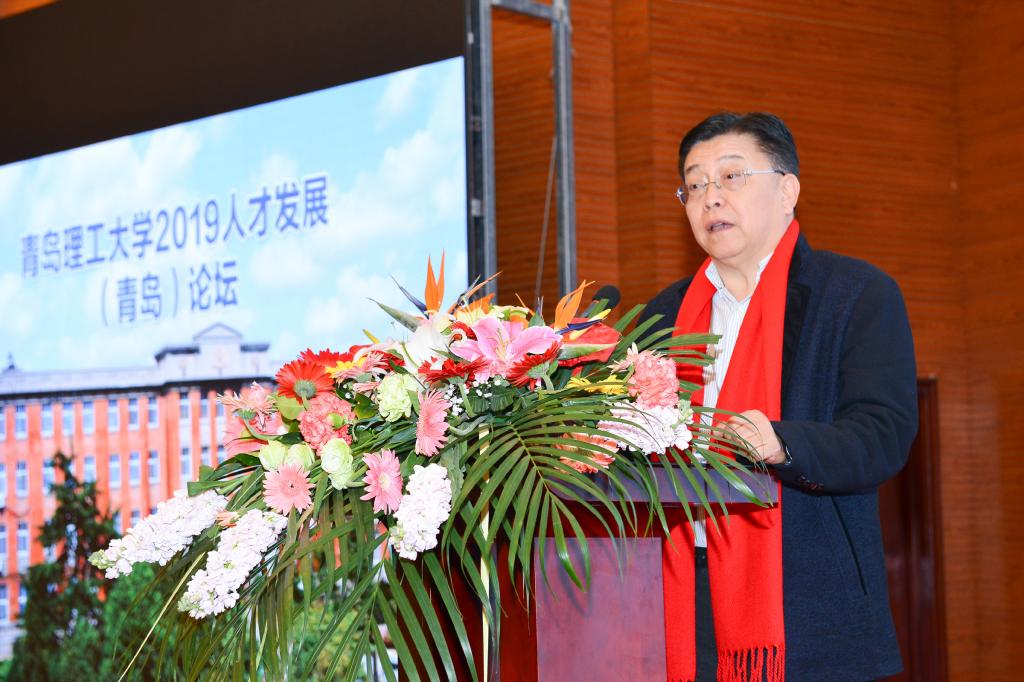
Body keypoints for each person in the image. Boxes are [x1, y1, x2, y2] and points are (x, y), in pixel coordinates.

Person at [639, 112, 917, 681]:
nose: (711, 197)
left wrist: (782, 444)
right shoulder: (663, 316)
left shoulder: (854, 295)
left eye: (731, 176)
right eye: (694, 185)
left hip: (808, 606)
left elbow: (882, 435)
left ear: (787, 191)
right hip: (681, 596)